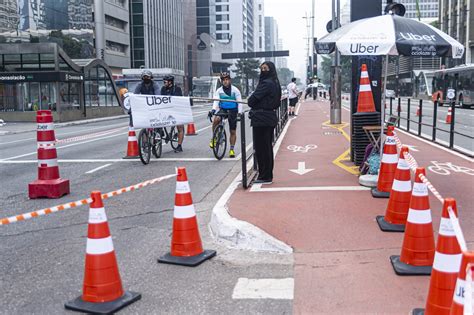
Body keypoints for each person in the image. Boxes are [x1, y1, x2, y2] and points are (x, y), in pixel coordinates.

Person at [248, 61, 281, 184]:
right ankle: (266, 174)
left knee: (262, 148)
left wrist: (252, 100)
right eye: (261, 68)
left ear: (270, 69)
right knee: (266, 147)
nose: (263, 71)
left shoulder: (265, 84)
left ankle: (265, 176)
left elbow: (252, 100)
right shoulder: (275, 83)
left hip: (262, 119)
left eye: (265, 68)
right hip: (269, 117)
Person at [208, 72, 242, 158]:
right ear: (221, 81)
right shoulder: (219, 91)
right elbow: (216, 101)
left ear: (229, 80)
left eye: (227, 79)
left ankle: (231, 149)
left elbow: (240, 102)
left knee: (232, 131)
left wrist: (239, 113)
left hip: (233, 110)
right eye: (223, 80)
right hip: (223, 109)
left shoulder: (235, 90)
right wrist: (213, 110)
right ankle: (214, 138)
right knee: (216, 119)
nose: (225, 81)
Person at [160, 75, 185, 153]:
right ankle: (160, 131)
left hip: (176, 110)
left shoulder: (177, 89)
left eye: (165, 82)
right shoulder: (163, 89)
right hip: (166, 110)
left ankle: (179, 146)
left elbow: (179, 99)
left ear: (170, 82)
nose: (164, 83)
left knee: (180, 127)